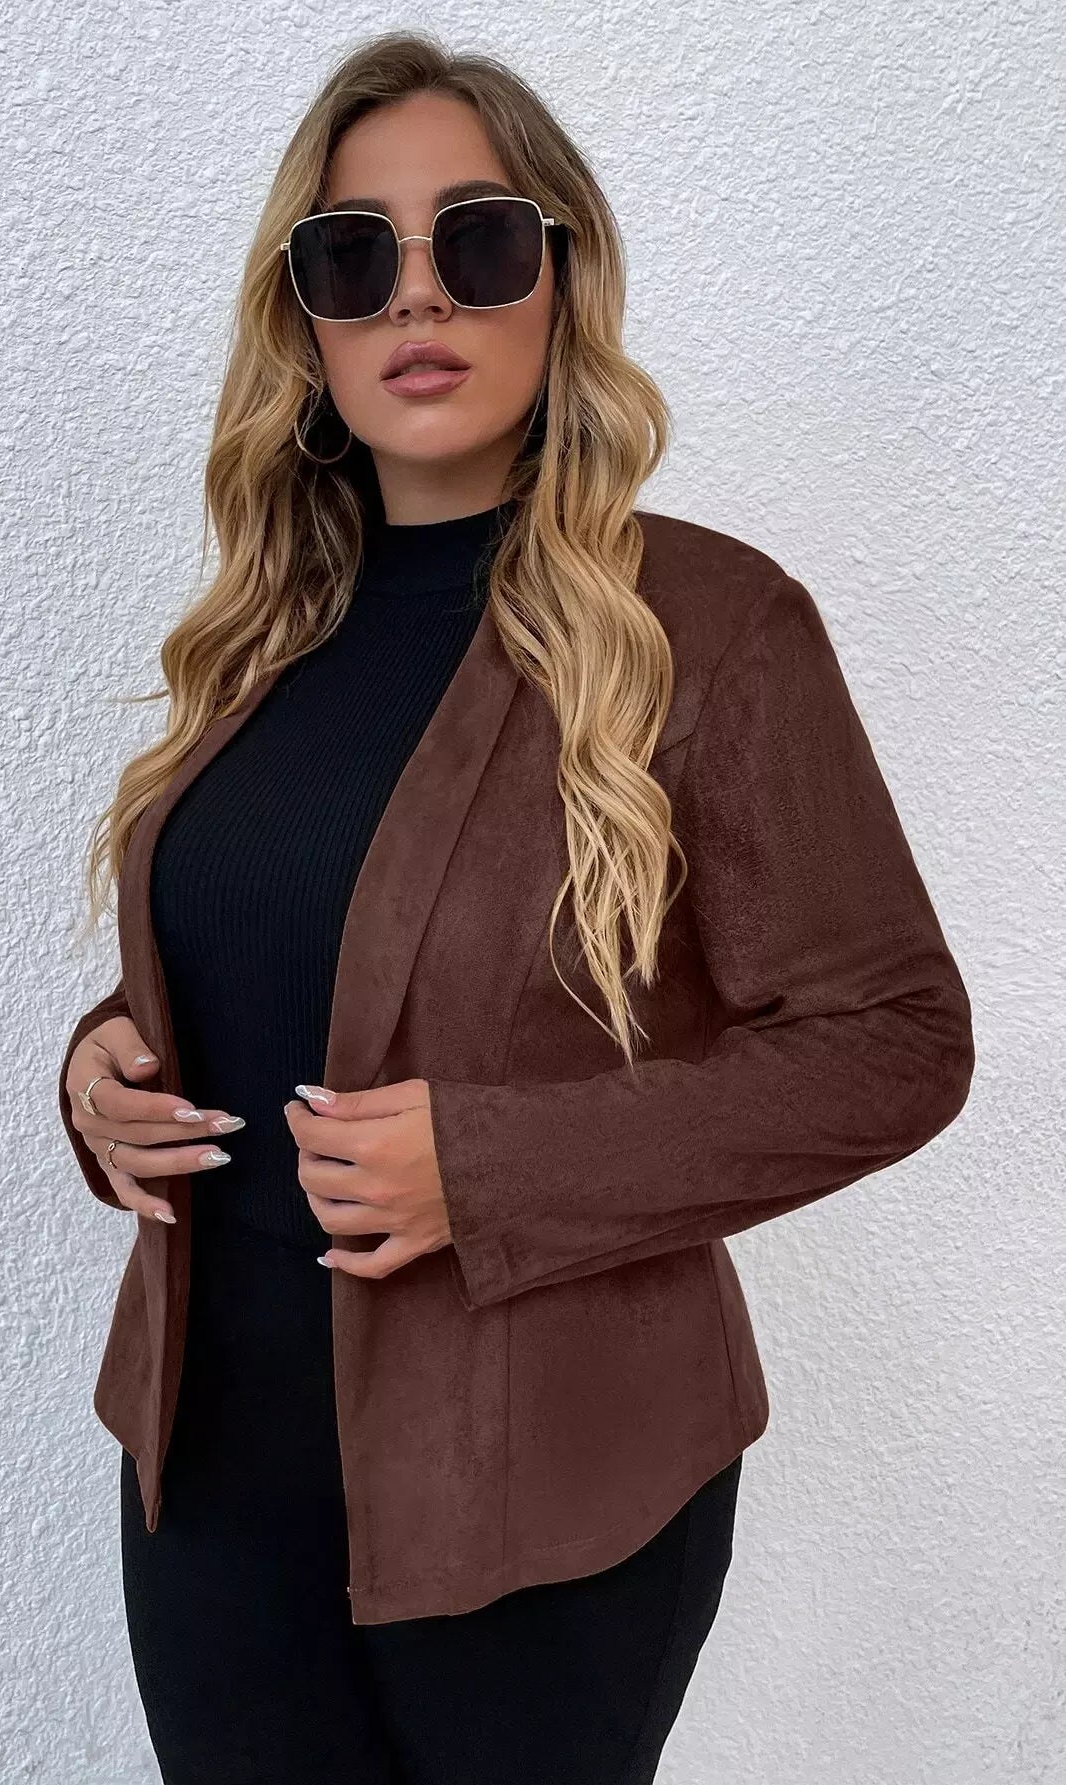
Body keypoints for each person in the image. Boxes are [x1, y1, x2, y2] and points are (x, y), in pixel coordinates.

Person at [57, 31, 974, 1785]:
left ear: (559, 275)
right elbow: (283, 958)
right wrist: (104, 1070)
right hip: (214, 1475)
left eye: (476, 242)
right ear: (306, 320)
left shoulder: (710, 626)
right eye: (354, 255)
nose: (417, 295)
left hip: (547, 1506)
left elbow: (897, 1042)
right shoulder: (268, 631)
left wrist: (485, 1167)